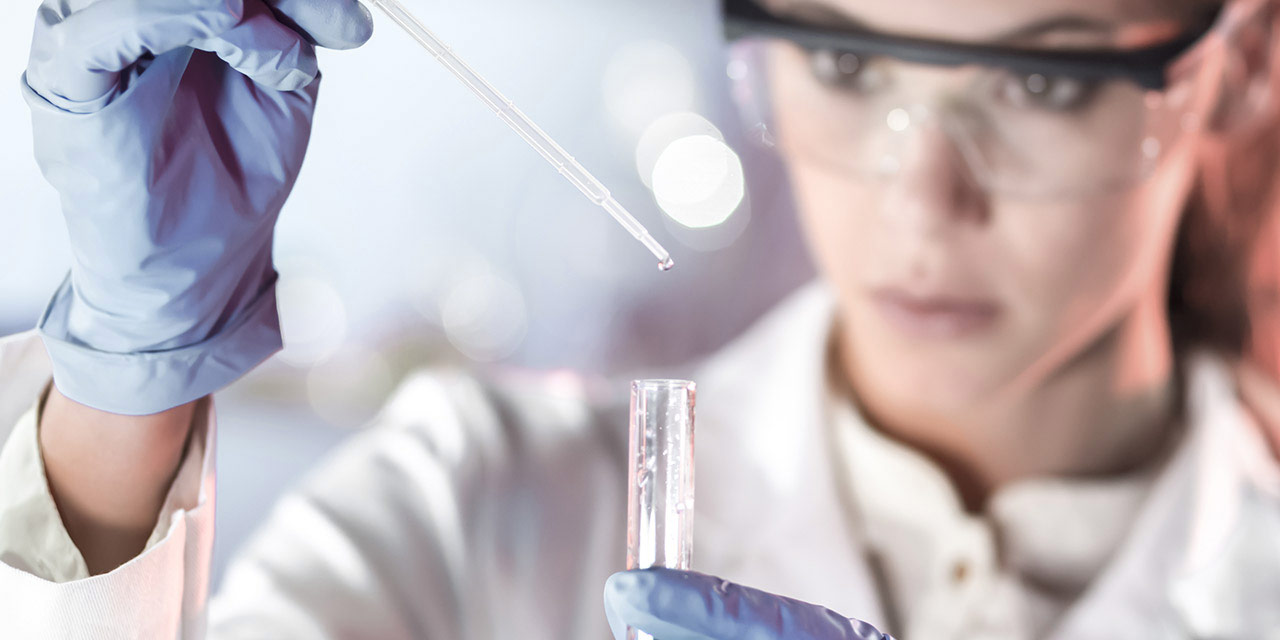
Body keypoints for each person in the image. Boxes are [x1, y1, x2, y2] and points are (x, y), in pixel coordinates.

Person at [2, 0, 1279, 636]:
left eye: (1040, 79)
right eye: (842, 62)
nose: (922, 199)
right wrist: (127, 380)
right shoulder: (479, 500)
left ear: (1240, 63)